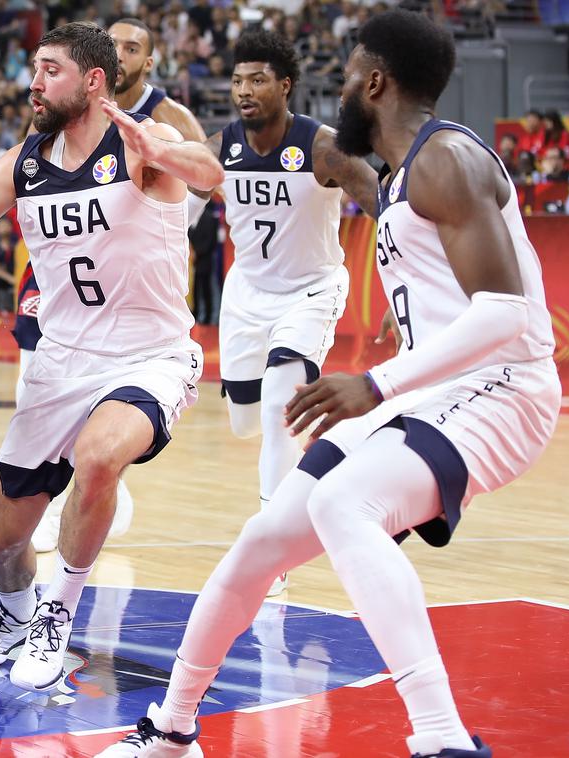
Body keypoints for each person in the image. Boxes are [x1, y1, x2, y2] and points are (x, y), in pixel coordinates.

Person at [99, 9, 558, 758]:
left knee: (349, 504)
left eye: (346, 74)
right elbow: (223, 172)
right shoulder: (404, 172)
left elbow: (506, 315)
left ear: (373, 83)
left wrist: (377, 383)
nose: (336, 86)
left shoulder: (446, 161)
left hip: (504, 389)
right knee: (264, 539)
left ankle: (443, 737)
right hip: (432, 391)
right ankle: (174, 727)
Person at [0, 21, 224, 692]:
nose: (34, 82)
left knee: (100, 455)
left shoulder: (141, 147)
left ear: (92, 81)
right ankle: (14, 614)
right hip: (61, 362)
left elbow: (211, 171)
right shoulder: (25, 163)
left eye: (50, 70)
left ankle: (55, 618)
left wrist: (166, 150)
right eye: (34, 69)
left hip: (149, 356)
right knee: (2, 545)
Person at [25, 16, 211, 553]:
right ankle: (71, 489)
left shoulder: (163, 117)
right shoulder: (60, 117)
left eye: (134, 48)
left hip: (141, 264)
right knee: (34, 371)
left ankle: (104, 485)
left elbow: (204, 176)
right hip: (70, 262)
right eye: (116, 45)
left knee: (114, 421)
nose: (123, 55)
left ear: (146, 62)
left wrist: (151, 217)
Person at [210, 29, 378, 596]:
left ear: (284, 85)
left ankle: (271, 545)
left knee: (283, 404)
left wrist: (408, 280)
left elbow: (380, 196)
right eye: (237, 80)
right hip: (246, 296)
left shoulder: (321, 146)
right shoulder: (222, 147)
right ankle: (306, 459)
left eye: (257, 79)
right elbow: (173, 202)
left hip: (310, 290)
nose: (244, 90)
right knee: (245, 423)